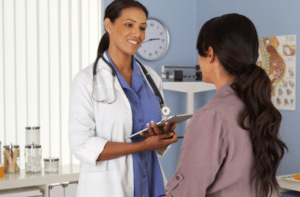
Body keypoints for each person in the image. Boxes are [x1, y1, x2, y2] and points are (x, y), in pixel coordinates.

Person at [164, 13, 288, 197]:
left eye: (200, 52)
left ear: (211, 53)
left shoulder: (211, 116)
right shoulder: (258, 107)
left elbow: (187, 192)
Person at [68, 1, 178, 197]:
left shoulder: (151, 78)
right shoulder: (86, 81)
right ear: (108, 25)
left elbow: (152, 138)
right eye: (129, 25)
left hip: (152, 185)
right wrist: (141, 146)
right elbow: (80, 144)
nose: (138, 34)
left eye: (142, 28)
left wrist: (164, 137)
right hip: (109, 188)